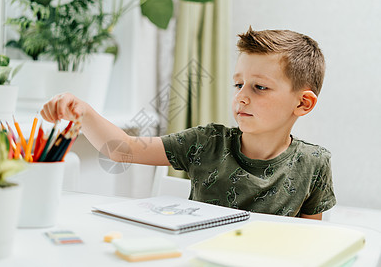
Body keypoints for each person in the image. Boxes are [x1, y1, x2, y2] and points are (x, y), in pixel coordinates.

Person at [40, 27, 336, 220]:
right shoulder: (206, 142)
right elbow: (124, 150)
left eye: (259, 87)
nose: (241, 98)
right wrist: (84, 112)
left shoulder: (314, 163)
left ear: (302, 103)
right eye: (238, 85)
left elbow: (309, 240)